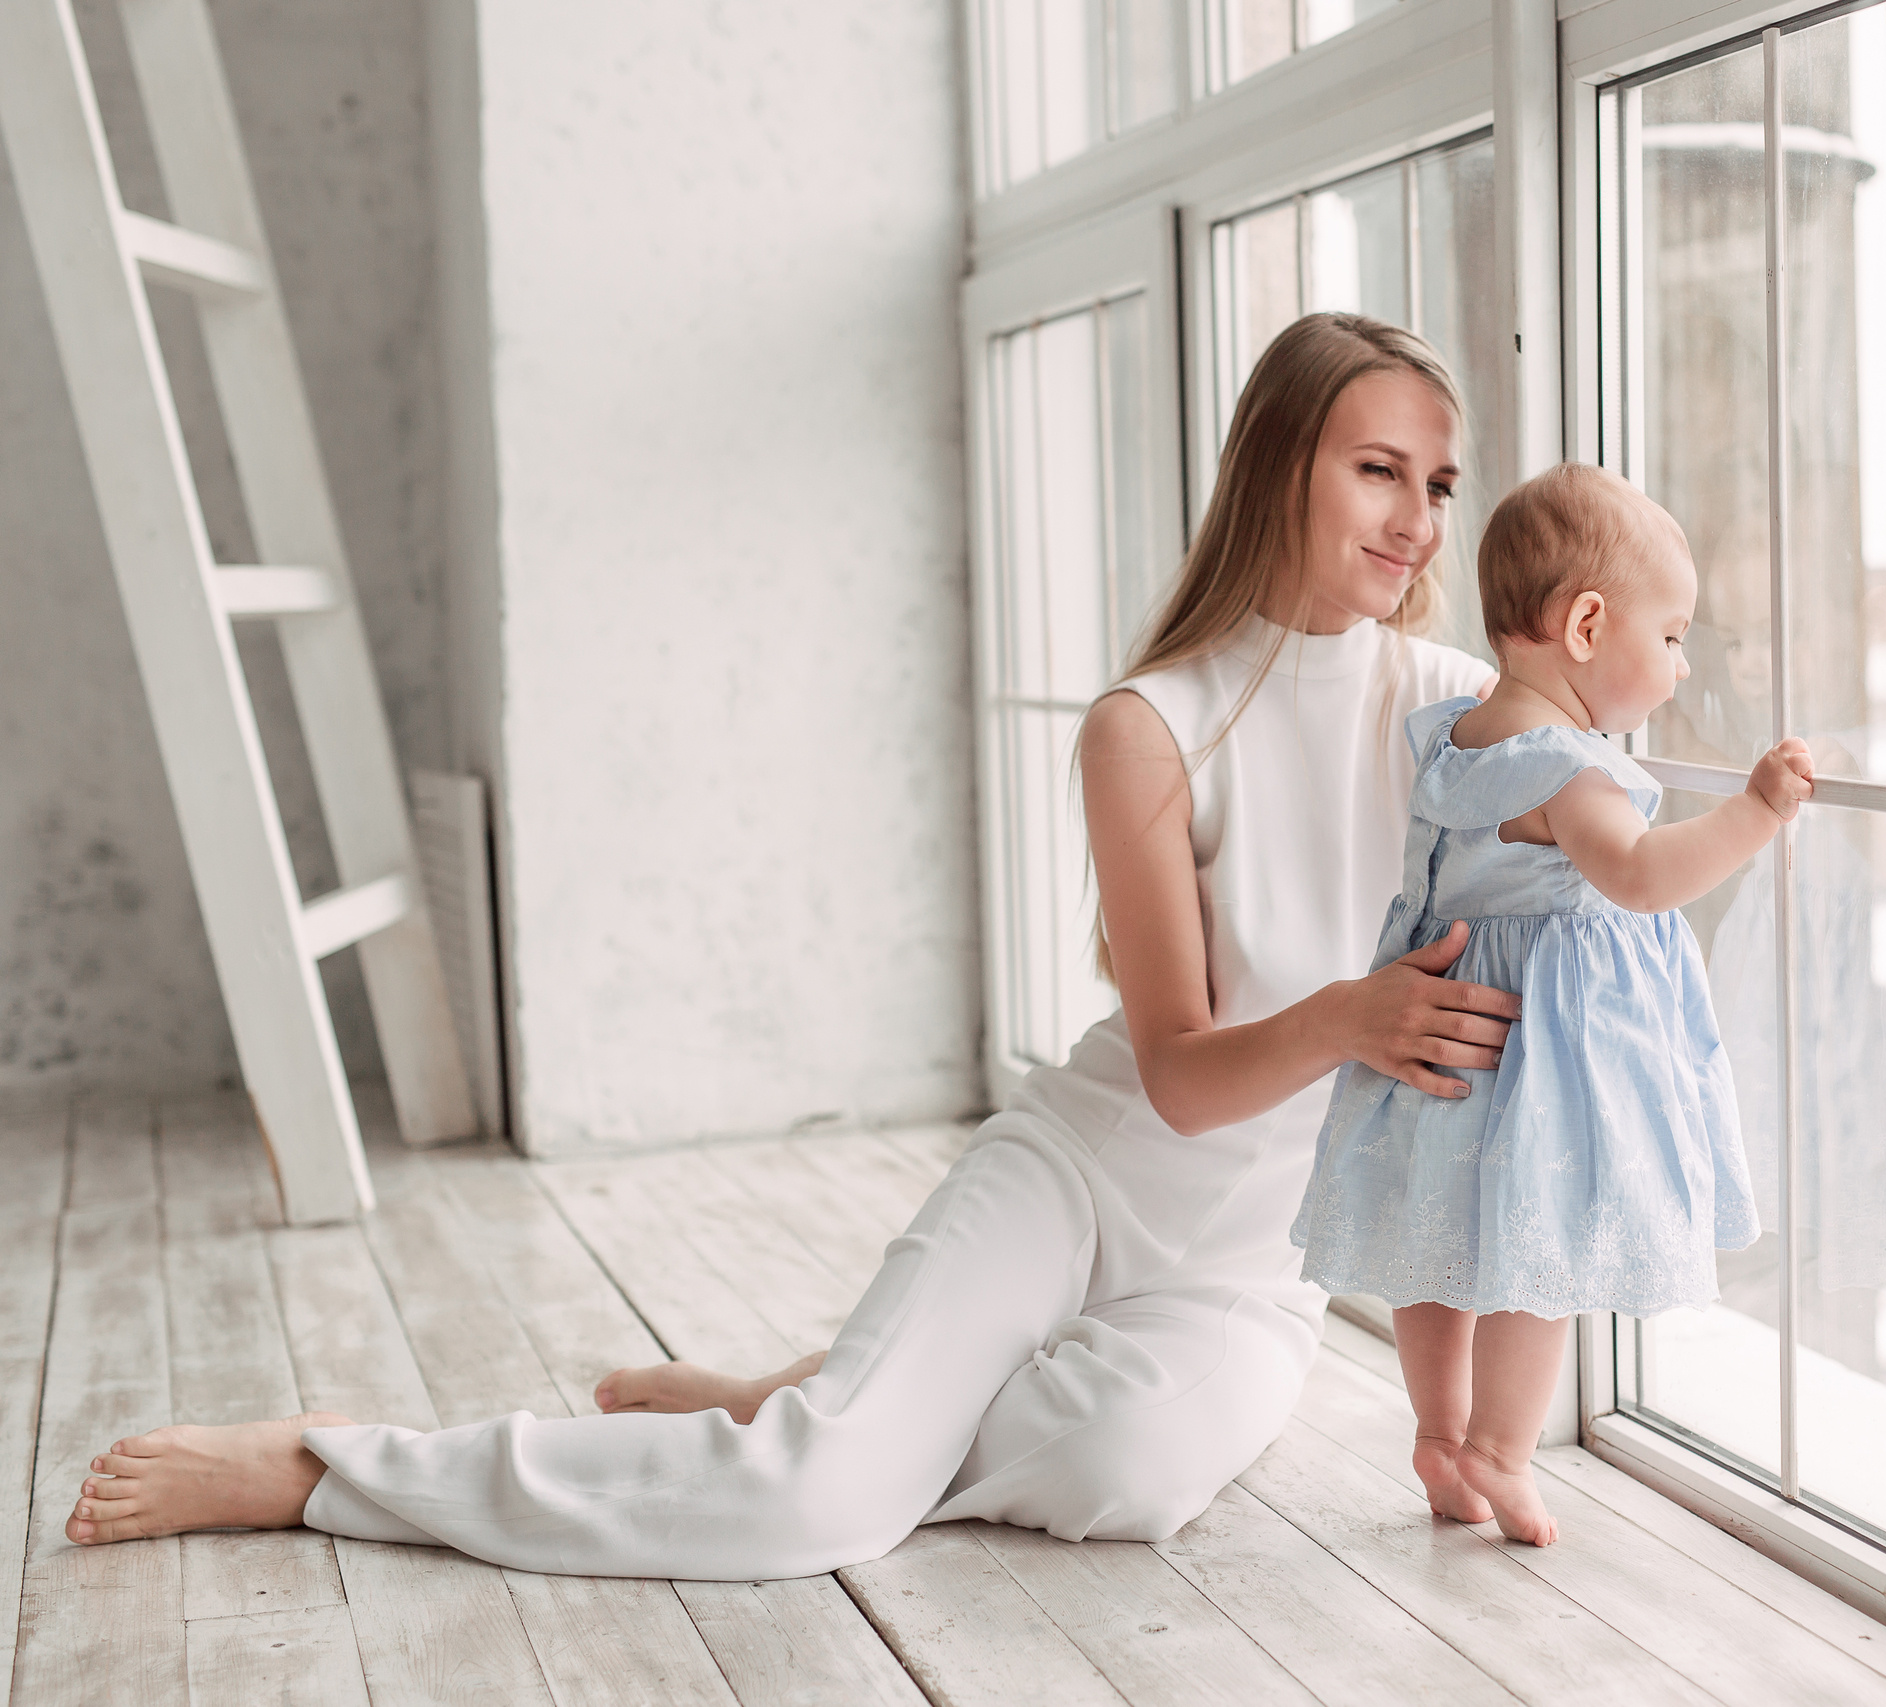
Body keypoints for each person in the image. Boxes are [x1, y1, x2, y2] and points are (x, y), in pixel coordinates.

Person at [60, 312, 1516, 1578]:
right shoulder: (1151, 724)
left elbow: (1629, 776)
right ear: (1278, 466)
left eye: (1439, 482)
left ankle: (819, 1396)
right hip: (1086, 1177)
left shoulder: (1464, 711)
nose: (1417, 518)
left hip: (1257, 1264)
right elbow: (1187, 1079)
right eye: (1377, 468)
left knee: (1124, 1476)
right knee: (814, 1505)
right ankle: (335, 1467)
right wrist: (1349, 1018)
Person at [1291, 461, 1813, 1546]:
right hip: (1535, 1062)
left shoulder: (1459, 742)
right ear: (1586, 625)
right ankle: (1499, 1450)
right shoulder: (1567, 770)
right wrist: (1757, 813)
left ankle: (1439, 1431)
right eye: (1670, 637)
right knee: (1539, 1266)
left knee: (1438, 1249)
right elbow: (1637, 878)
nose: (1677, 667)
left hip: (1442, 1044)